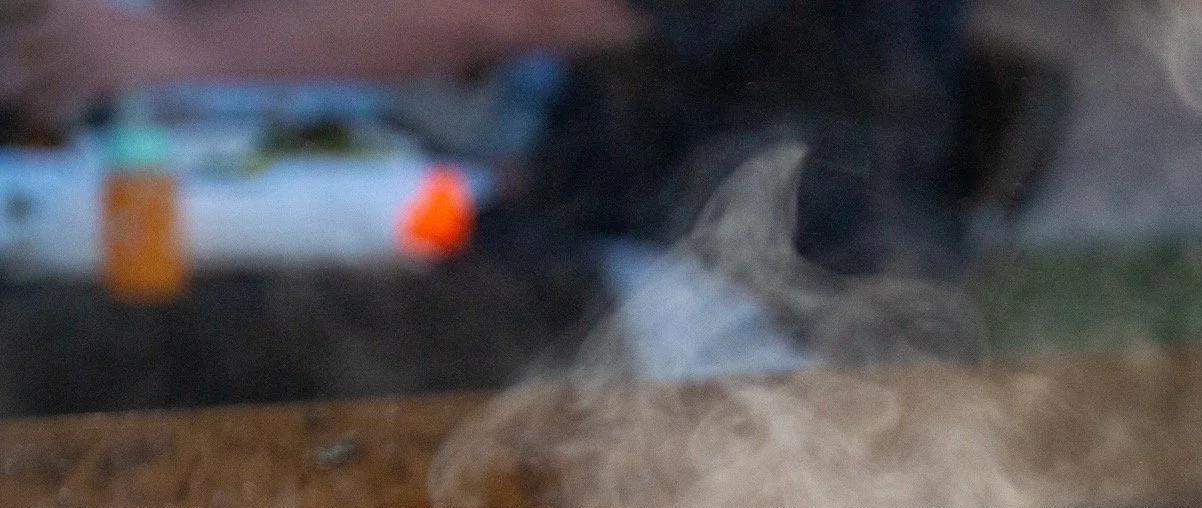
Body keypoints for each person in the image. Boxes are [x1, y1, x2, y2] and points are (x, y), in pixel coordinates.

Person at [0, 0, 976, 279]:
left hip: (749, 308)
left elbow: (500, 14)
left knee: (226, 340)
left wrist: (169, 47)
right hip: (604, 247)